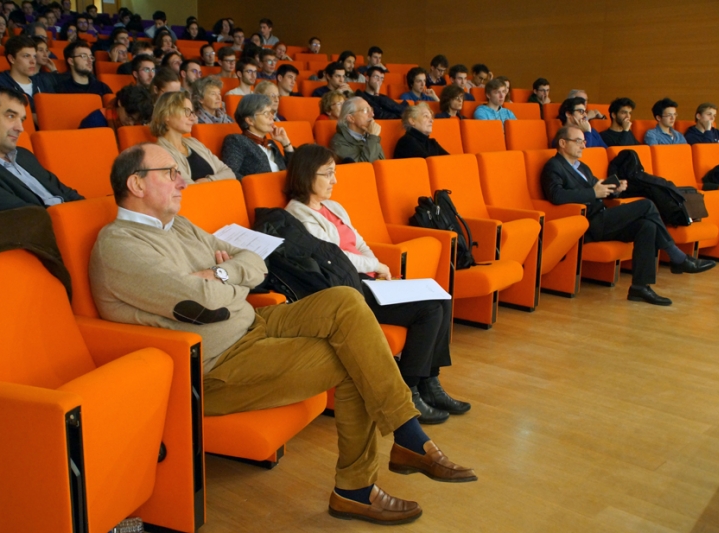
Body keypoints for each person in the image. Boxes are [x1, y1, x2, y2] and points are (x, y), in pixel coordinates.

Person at [90, 141, 476, 526]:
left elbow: (256, 260)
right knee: (355, 358)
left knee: (342, 299)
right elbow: (203, 301)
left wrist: (222, 273)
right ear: (136, 184)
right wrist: (223, 277)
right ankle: (364, 482)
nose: (183, 182)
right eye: (170, 173)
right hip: (216, 366)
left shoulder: (182, 226)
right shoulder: (120, 246)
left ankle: (404, 440)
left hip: (253, 323)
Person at [284, 143, 468, 423]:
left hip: (368, 279)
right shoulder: (298, 215)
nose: (334, 180)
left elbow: (358, 243)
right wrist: (376, 266)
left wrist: (377, 267)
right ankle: (407, 391)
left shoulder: (332, 207)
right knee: (428, 309)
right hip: (346, 289)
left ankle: (431, 382)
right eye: (328, 173)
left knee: (441, 297)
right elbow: (336, 259)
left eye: (334, 173)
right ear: (308, 174)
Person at [542, 125, 715, 306]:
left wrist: (614, 190)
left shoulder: (582, 167)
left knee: (646, 226)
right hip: (586, 223)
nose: (583, 145)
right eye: (578, 141)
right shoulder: (554, 166)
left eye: (584, 141)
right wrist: (593, 193)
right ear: (562, 143)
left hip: (603, 217)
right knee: (646, 205)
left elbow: (598, 188)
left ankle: (640, 287)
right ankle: (677, 257)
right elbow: (557, 195)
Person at [0, 86, 84, 217]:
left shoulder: (24, 155)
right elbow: (28, 221)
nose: (20, 128)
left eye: (22, 120)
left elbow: (67, 193)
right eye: (10, 116)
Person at [152, 90, 236, 183]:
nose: (192, 118)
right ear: (166, 115)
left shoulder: (194, 142)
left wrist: (208, 180)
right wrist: (215, 181)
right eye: (187, 111)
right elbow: (188, 188)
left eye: (192, 112)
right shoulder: (160, 153)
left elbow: (230, 173)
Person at [221, 93, 293, 179]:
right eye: (266, 113)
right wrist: (256, 186)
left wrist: (286, 143)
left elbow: (294, 171)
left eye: (271, 113)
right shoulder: (236, 141)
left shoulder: (271, 144)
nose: (272, 117)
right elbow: (230, 173)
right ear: (250, 120)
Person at [0, 35, 52, 116]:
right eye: (26, 56)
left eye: (34, 56)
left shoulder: (43, 81)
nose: (33, 61)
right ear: (12, 59)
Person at [330, 96, 385, 163]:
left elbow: (382, 163)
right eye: (365, 111)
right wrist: (373, 138)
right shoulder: (338, 142)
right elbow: (362, 168)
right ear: (351, 118)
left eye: (371, 110)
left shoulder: (369, 135)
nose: (372, 114)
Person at [79, 83, 153, 130]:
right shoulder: (94, 122)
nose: (130, 123)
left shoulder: (137, 126)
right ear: (120, 102)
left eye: (135, 121)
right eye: (129, 117)